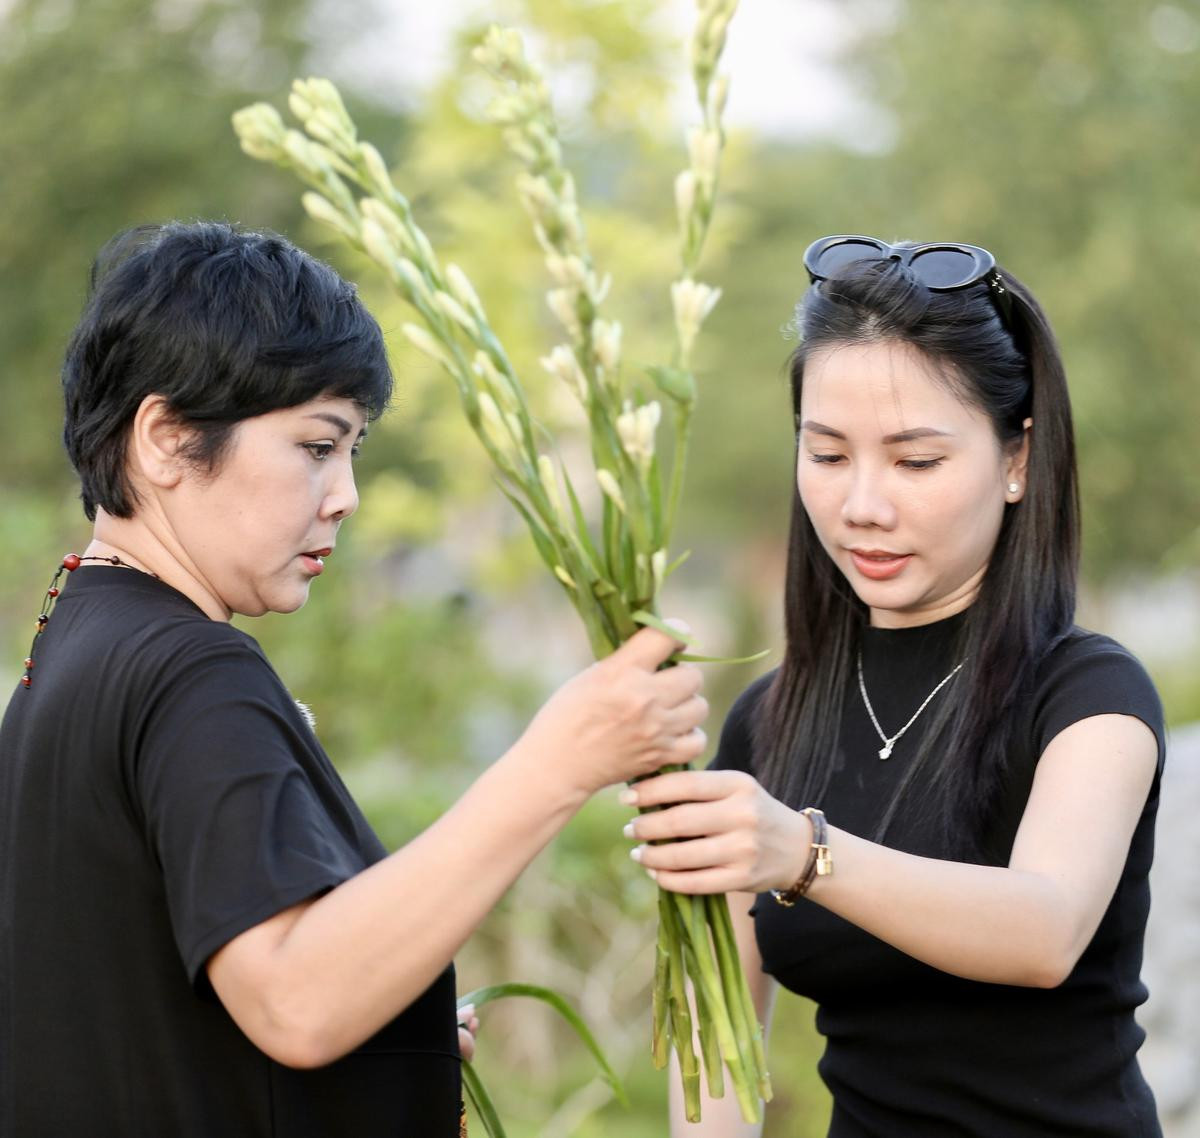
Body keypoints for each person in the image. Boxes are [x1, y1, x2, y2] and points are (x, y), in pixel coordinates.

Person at [0, 221, 709, 1138]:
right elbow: (296, 1003)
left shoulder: (76, 636)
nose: (346, 495)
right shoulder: (192, 673)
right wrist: (560, 764)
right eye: (315, 445)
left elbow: (128, 1009)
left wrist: (390, 1031)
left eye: (353, 452)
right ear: (168, 440)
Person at [620, 236, 1165, 1136]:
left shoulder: (1089, 695)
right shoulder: (769, 722)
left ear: (1017, 460)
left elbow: (1044, 930)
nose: (862, 504)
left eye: (915, 462)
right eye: (828, 455)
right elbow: (713, 1052)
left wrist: (803, 854)